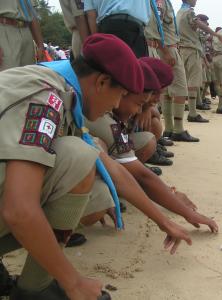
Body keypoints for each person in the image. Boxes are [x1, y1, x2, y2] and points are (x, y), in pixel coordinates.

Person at [0, 33, 143, 299]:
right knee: (79, 156)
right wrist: (73, 282)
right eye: (120, 94)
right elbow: (19, 209)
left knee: (89, 183)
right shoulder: (45, 97)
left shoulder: (47, 82)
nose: (115, 105)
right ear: (101, 81)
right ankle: (34, 289)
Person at [83, 57, 218, 247]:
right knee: (98, 202)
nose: (153, 101)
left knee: (116, 159)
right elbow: (142, 177)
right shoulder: (106, 119)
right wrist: (177, 216)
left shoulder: (106, 102)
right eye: (140, 102)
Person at [149, 0, 200, 142]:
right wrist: (165, 51)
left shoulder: (168, 4)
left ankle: (170, 129)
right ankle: (177, 129)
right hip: (168, 48)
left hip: (167, 47)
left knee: (166, 90)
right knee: (180, 89)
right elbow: (156, 25)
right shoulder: (161, 2)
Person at [177, 1, 222, 123]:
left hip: (181, 49)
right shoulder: (189, 12)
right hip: (192, 50)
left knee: (186, 81)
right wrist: (215, 34)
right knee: (193, 83)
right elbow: (199, 24)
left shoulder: (179, 12)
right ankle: (192, 112)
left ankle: (187, 110)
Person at [84, 0, 150, 57]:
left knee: (113, 68)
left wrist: (97, 43)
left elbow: (91, 14)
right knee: (139, 67)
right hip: (135, 26)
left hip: (109, 26)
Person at [0, 0, 46, 70]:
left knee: (29, 76)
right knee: (7, 77)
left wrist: (40, 45)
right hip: (4, 31)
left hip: (26, 31)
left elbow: (31, 12)